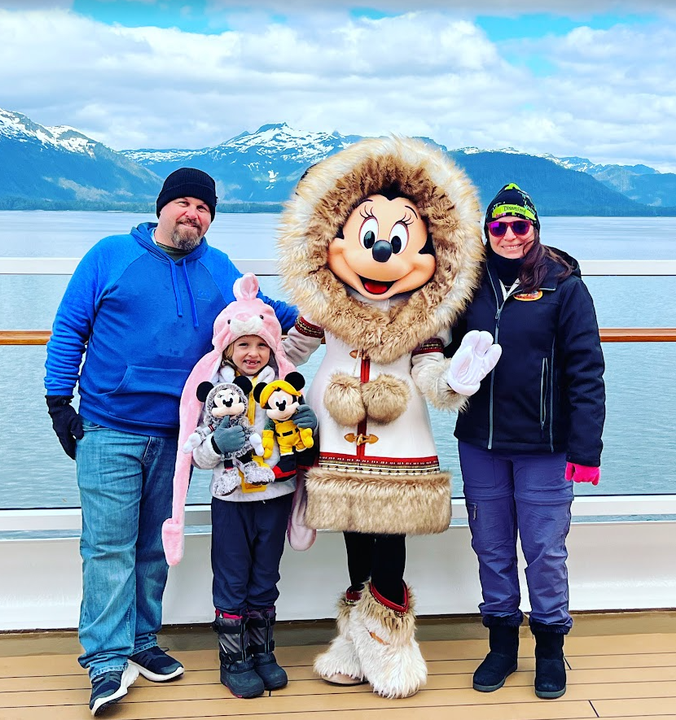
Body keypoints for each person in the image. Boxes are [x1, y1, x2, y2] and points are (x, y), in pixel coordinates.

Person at [43, 169, 297, 717]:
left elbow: (266, 314)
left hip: (179, 435)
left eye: (204, 208)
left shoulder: (218, 267)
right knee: (108, 547)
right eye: (183, 203)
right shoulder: (110, 255)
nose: (193, 215)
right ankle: (107, 661)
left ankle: (141, 642)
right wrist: (58, 403)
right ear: (162, 208)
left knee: (154, 543)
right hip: (109, 425)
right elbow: (69, 329)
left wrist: (332, 316)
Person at [275, 137, 496, 699]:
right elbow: (288, 354)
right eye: (368, 238)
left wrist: (455, 380)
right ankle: (356, 642)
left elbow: (428, 373)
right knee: (353, 533)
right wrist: (240, 341)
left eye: (397, 241)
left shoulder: (421, 316)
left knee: (391, 537)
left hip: (400, 439)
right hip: (337, 433)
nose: (379, 254)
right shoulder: (322, 305)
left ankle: (390, 643)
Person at [449, 183, 605, 700]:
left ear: (535, 230)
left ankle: (549, 649)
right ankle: (500, 646)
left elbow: (587, 372)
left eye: (521, 225)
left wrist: (586, 451)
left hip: (547, 445)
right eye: (499, 226)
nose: (511, 235)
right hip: (480, 440)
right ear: (486, 232)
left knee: (544, 552)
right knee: (490, 548)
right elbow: (440, 346)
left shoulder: (565, 286)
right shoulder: (467, 285)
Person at [169, 273, 317, 699]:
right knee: (233, 575)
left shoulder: (284, 388)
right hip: (231, 499)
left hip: (276, 494)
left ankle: (261, 650)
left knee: (266, 575)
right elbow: (193, 450)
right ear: (227, 348)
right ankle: (232, 658)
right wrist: (216, 444)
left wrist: (309, 426)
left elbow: (300, 444)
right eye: (243, 345)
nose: (252, 353)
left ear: (272, 347)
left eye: (261, 345)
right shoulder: (214, 390)